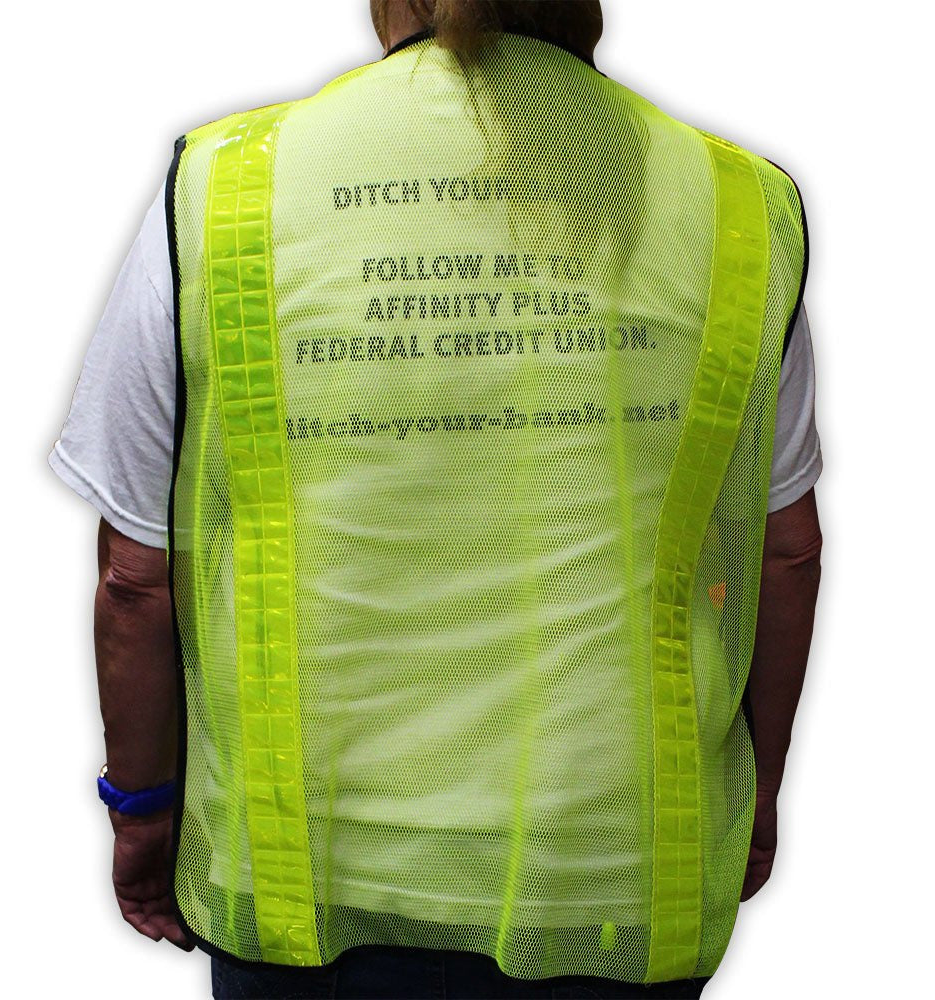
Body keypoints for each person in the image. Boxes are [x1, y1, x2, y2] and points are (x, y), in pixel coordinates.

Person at [48, 2, 823, 997]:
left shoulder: (223, 190)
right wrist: (754, 794)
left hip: (304, 882)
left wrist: (143, 808)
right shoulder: (736, 206)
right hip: (615, 877)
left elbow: (134, 574)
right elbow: (785, 552)